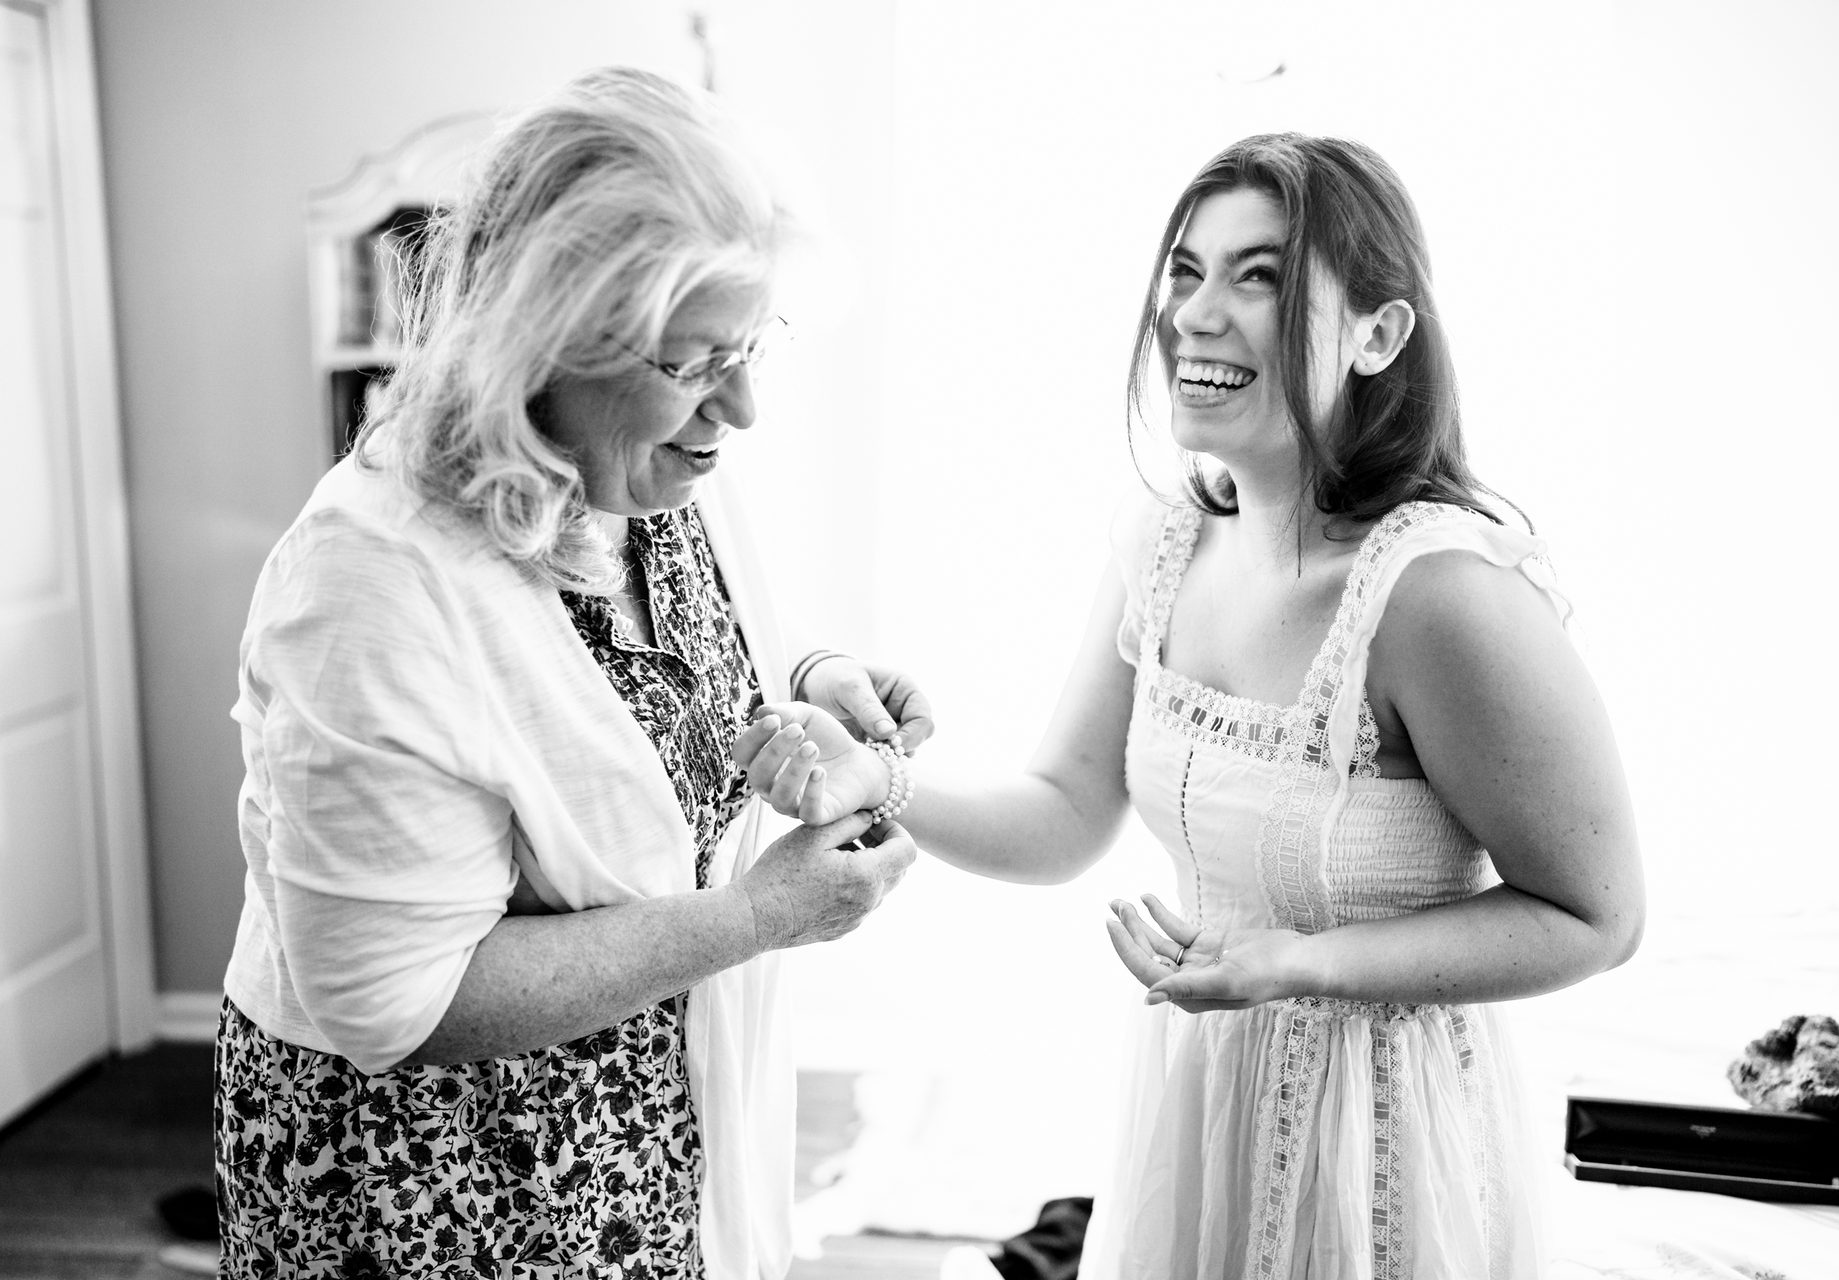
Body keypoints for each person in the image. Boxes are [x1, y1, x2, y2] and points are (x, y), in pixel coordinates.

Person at [736, 133, 1645, 1276]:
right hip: (1196, 1097)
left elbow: (1597, 915)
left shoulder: (1441, 594)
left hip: (1385, 1141)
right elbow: (1064, 810)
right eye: (1185, 270)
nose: (1194, 315)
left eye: (1259, 277)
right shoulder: (1162, 541)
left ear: (1379, 335)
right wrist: (884, 779)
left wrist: (1301, 961)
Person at [215, 67, 928, 1280]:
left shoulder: (640, 461)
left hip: (646, 1132)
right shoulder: (371, 584)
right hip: (447, 1184)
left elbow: (647, 670)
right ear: (543, 339)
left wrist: (809, 675)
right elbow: (395, 1001)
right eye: (698, 362)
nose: (743, 405)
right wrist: (755, 918)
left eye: (752, 345)